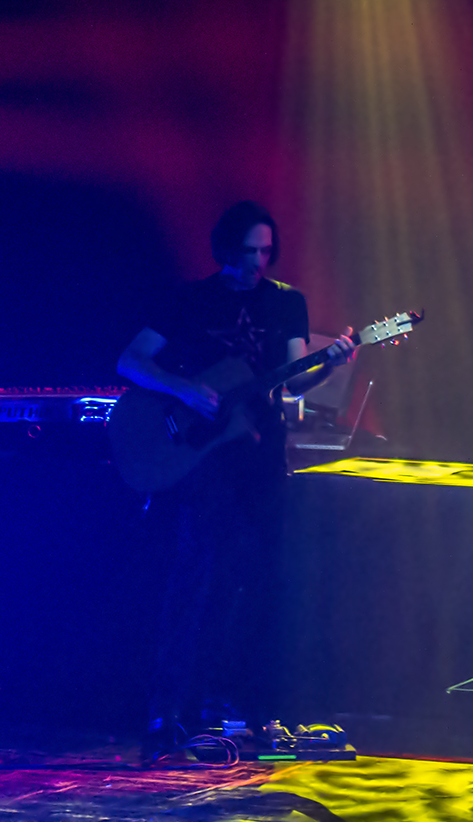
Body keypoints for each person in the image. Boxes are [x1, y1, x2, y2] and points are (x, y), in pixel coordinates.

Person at [117, 200, 351, 762]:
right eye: (248, 252)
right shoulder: (190, 299)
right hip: (203, 464)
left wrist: (330, 363)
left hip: (261, 458)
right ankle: (170, 710)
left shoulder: (287, 301)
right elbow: (131, 361)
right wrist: (182, 389)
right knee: (195, 580)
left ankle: (251, 710)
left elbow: (293, 382)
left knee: (263, 583)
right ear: (226, 249)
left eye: (266, 252)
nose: (257, 263)